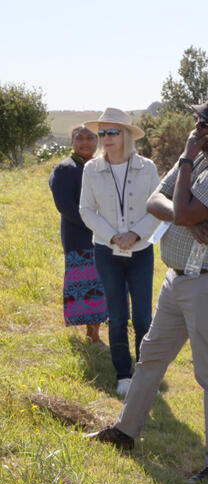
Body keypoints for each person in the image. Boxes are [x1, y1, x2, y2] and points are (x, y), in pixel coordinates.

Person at [87, 93, 208, 484]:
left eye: (204, 125)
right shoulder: (202, 153)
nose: (196, 129)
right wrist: (185, 214)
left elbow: (180, 208)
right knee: (150, 357)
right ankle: (126, 432)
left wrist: (183, 186)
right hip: (179, 277)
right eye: (198, 122)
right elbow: (156, 200)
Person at [79, 109, 161, 396]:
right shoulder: (92, 169)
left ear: (126, 135)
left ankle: (146, 375)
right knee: (116, 316)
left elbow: (158, 208)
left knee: (142, 318)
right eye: (102, 133)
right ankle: (124, 375)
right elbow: (86, 210)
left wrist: (135, 234)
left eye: (112, 132)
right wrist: (114, 236)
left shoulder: (147, 168)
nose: (105, 138)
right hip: (106, 250)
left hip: (140, 250)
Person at [49, 125, 108, 347]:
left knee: (102, 284)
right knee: (88, 286)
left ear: (97, 141)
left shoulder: (99, 166)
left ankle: (96, 332)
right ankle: (92, 336)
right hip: (80, 237)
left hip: (103, 236)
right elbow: (65, 206)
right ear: (71, 142)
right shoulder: (65, 169)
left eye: (90, 138)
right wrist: (97, 224)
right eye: (79, 138)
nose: (85, 142)